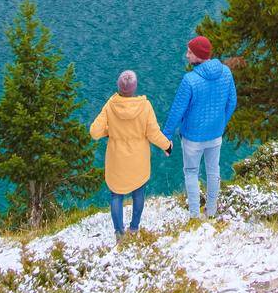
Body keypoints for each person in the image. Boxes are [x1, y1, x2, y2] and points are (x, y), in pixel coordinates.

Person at [162, 35, 237, 219]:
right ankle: (211, 211)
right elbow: (232, 102)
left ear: (199, 56)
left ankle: (195, 215)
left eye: (190, 52)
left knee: (191, 173)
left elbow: (176, 112)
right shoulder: (226, 72)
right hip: (215, 136)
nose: (187, 55)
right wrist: (220, 123)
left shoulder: (190, 80)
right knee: (213, 172)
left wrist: (165, 137)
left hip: (193, 138)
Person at [90, 68, 171, 239]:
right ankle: (134, 228)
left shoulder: (110, 105)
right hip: (138, 161)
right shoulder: (145, 106)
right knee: (138, 194)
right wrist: (167, 146)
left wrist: (110, 130)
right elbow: (153, 134)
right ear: (134, 88)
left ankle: (119, 233)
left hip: (117, 161)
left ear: (119, 87)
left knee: (116, 196)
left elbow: (95, 132)